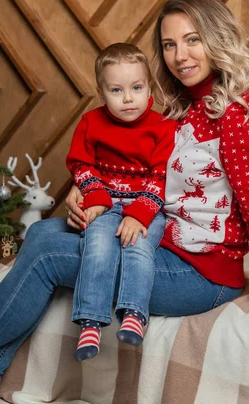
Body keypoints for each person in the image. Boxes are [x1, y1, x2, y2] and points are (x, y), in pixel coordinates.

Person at [0, 0, 249, 404]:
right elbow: (141, 174)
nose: (180, 56)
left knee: (47, 255)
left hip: (201, 273)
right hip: (161, 242)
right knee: (42, 233)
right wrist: (82, 191)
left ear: (217, 38)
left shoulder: (237, 118)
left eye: (192, 40)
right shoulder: (185, 108)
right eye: (170, 45)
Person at [66, 43, 175, 361]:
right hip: (105, 204)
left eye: (137, 88)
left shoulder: (162, 127)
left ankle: (134, 313)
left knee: (137, 247)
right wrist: (96, 196)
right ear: (102, 94)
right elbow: (80, 164)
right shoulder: (91, 122)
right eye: (117, 90)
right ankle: (90, 321)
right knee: (98, 245)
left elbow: (161, 176)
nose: (128, 98)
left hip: (147, 208)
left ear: (149, 87)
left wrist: (140, 215)